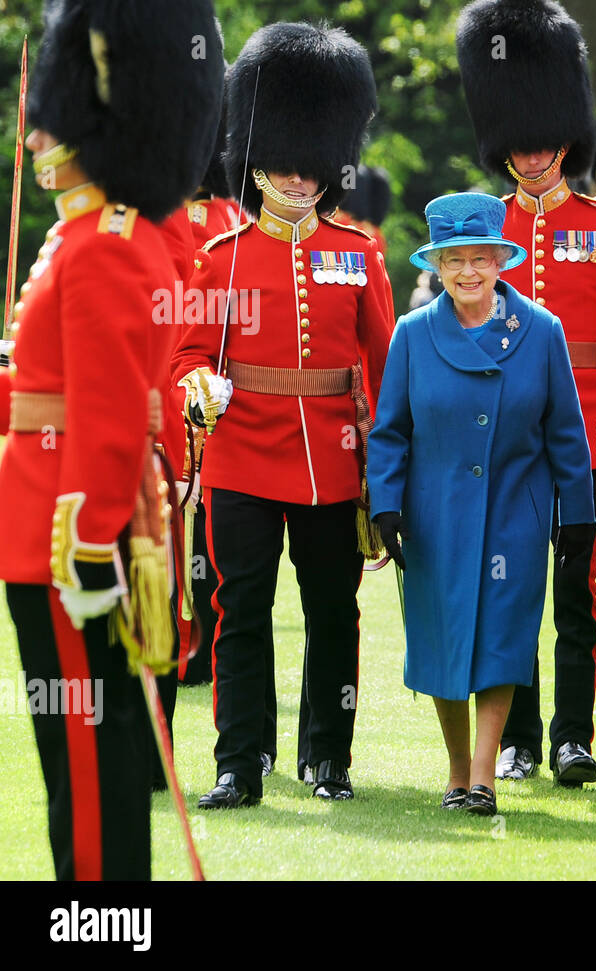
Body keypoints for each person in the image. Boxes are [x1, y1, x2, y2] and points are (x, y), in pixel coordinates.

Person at [0, 0, 224, 879]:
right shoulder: (89, 237)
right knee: (88, 755)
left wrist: (90, 547)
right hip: (55, 527)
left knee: (88, 763)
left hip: (65, 541)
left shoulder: (102, 246)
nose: (35, 139)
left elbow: (105, 414)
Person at [172, 21, 394, 808]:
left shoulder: (358, 252)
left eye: (312, 170)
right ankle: (241, 758)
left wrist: (388, 465)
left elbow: (384, 365)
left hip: (333, 461)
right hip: (242, 458)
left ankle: (326, 756)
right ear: (257, 166)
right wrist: (200, 387)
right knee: (241, 616)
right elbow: (188, 354)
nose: (300, 181)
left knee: (334, 612)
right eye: (286, 169)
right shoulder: (221, 255)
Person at [457, 0, 596, 787]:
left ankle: (573, 736)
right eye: (519, 145)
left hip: (589, 433)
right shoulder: (488, 229)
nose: (532, 156)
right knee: (513, 590)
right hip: (506, 432)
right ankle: (521, 738)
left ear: (565, 137)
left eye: (543, 143)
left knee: (574, 589)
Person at [367, 193, 596, 815]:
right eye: (453, 261)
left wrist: (577, 513)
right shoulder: (412, 335)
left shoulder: (542, 331)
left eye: (480, 258)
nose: (468, 272)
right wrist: (384, 504)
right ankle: (457, 768)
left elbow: (566, 432)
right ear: (436, 267)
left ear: (501, 260)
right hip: (434, 514)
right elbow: (390, 430)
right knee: (442, 637)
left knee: (502, 636)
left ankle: (486, 776)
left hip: (513, 514)